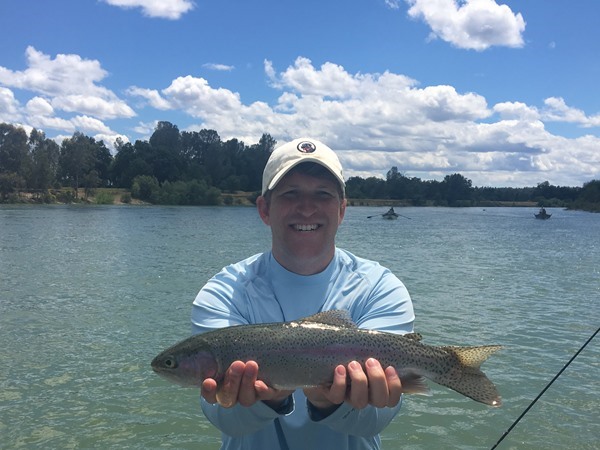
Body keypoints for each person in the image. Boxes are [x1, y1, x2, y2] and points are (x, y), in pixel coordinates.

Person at [191, 137, 415, 450]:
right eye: (290, 194)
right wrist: (265, 400)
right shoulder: (223, 292)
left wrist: (332, 402)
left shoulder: (380, 288)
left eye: (322, 194)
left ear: (341, 210)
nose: (306, 207)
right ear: (264, 209)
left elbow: (376, 418)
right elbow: (223, 417)